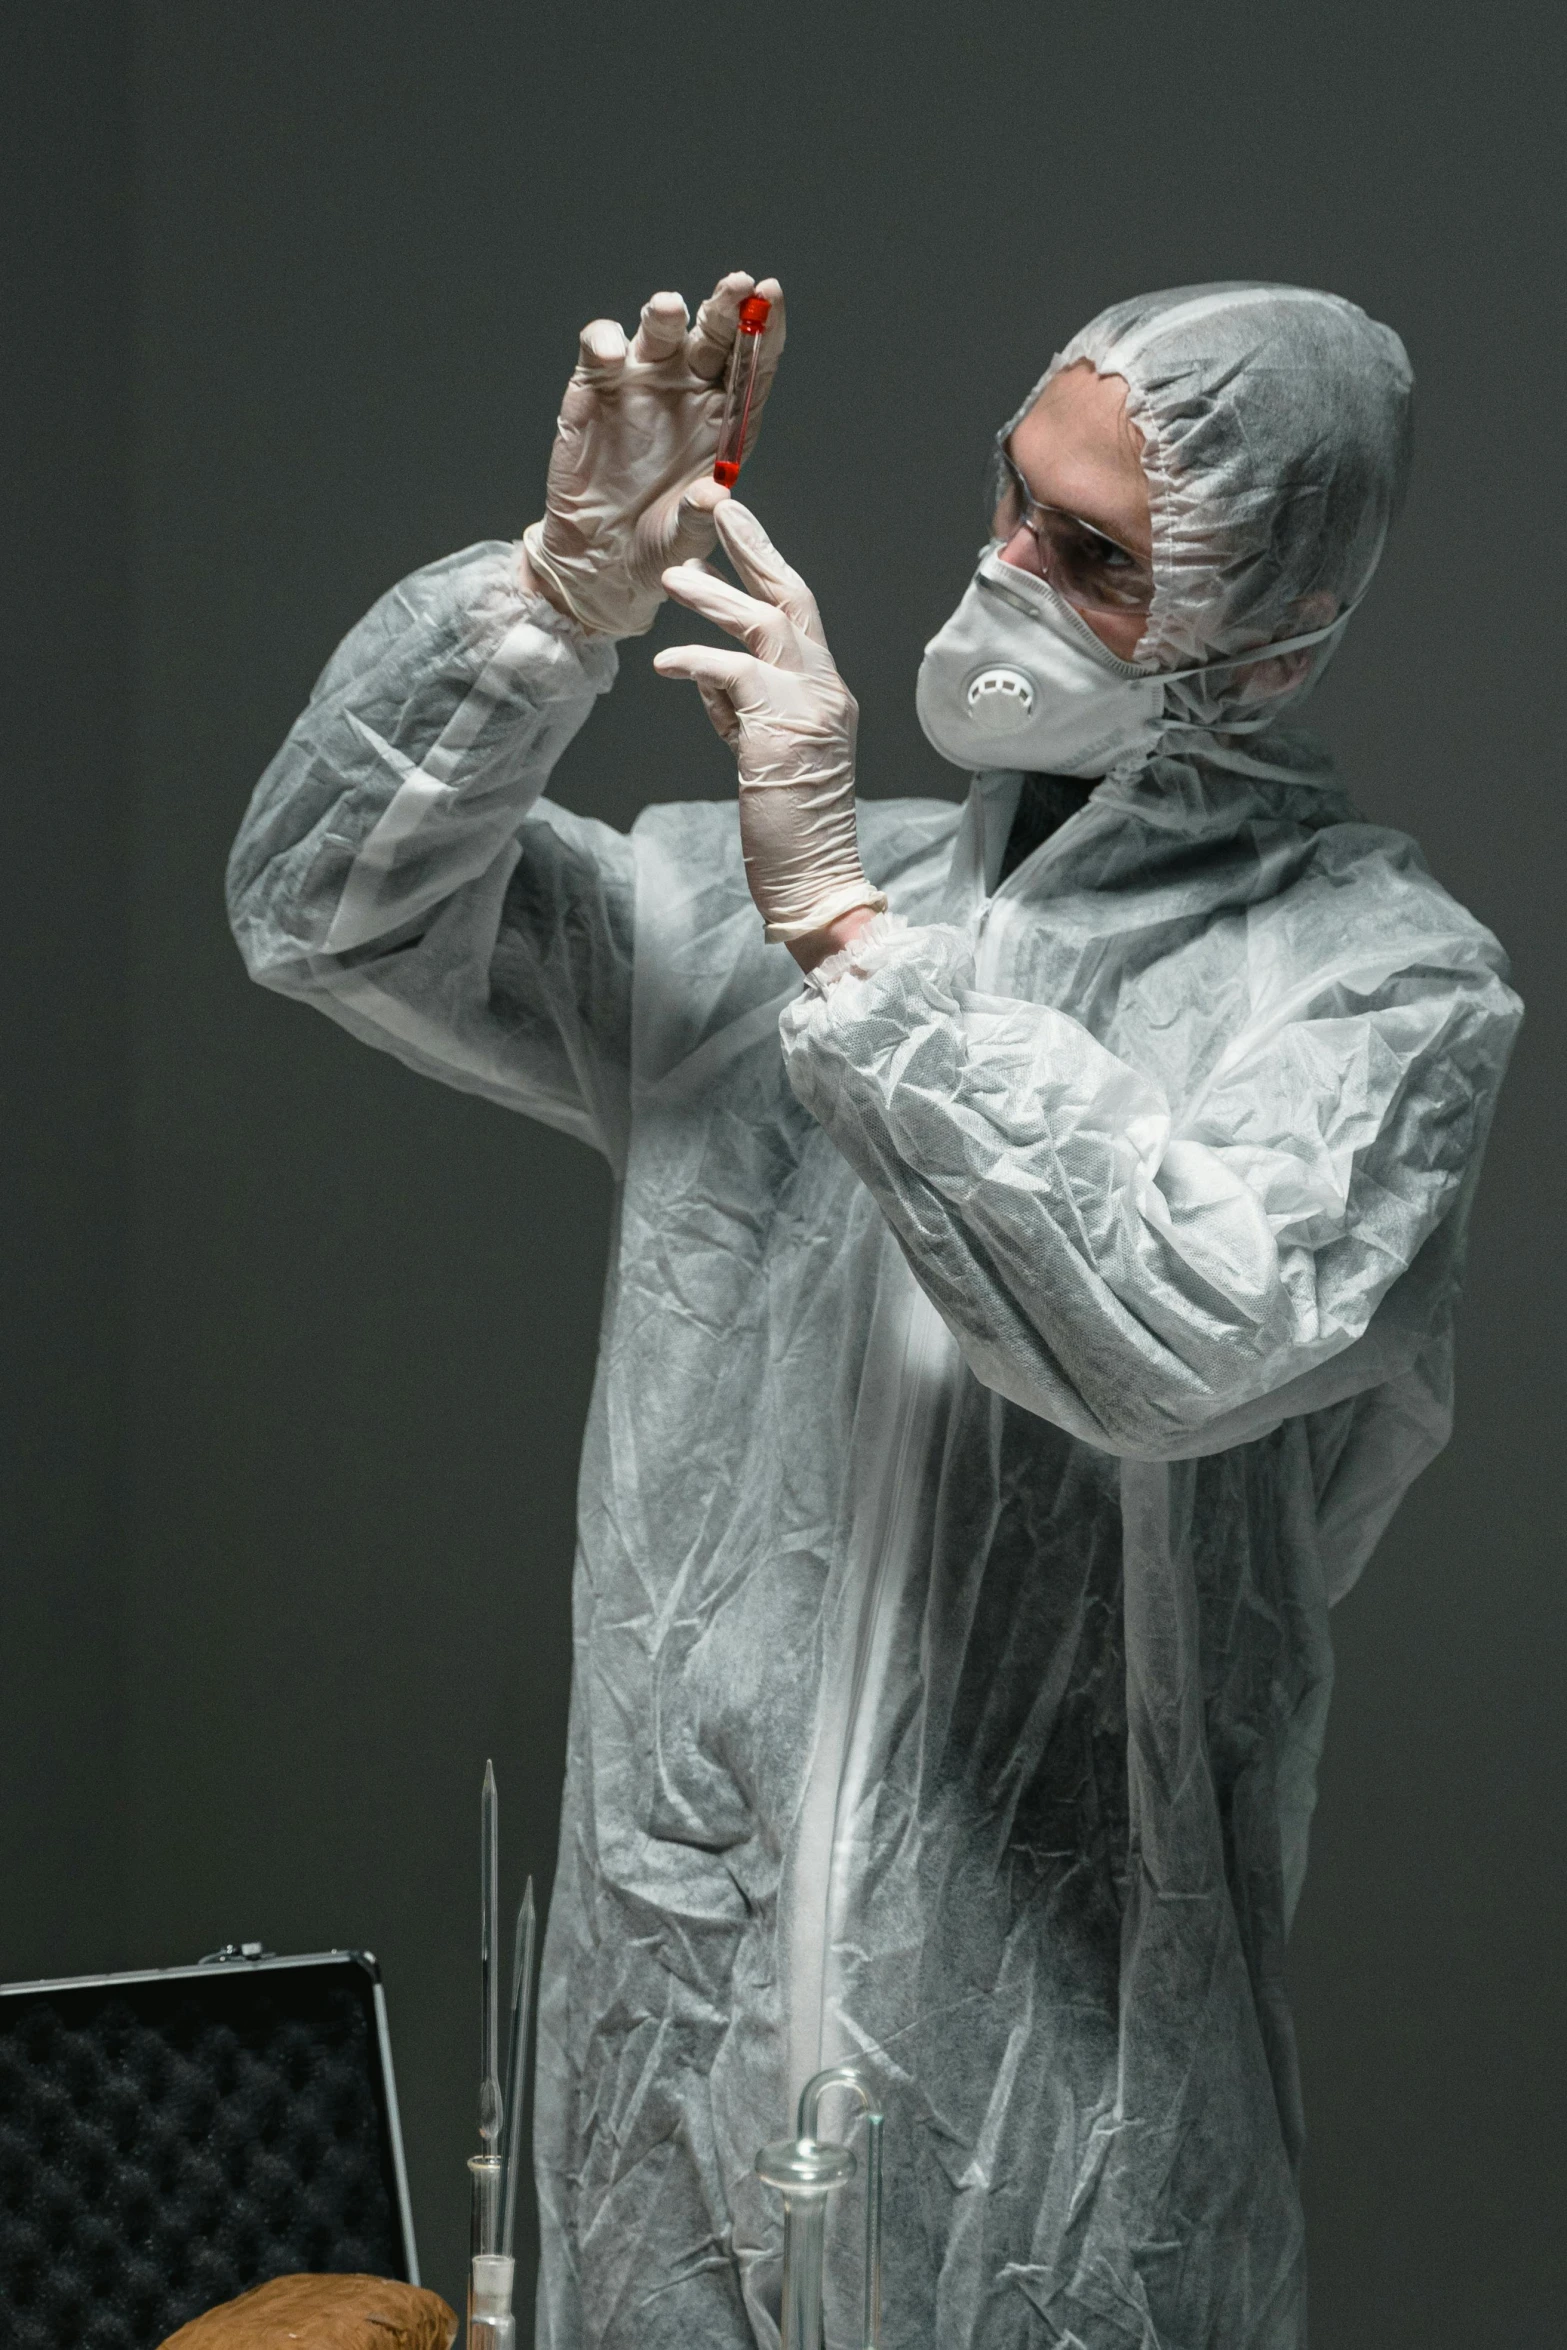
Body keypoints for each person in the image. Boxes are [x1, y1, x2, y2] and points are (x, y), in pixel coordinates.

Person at [228, 273, 1520, 2350]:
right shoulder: (749, 916)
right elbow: (321, 905)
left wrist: (841, 922)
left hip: (1065, 2119)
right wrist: (563, 594)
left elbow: (1172, 1338)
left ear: (1272, 631)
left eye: (1094, 555)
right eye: (1010, 500)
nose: (1003, 568)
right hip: (678, 2041)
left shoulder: (1375, 987)